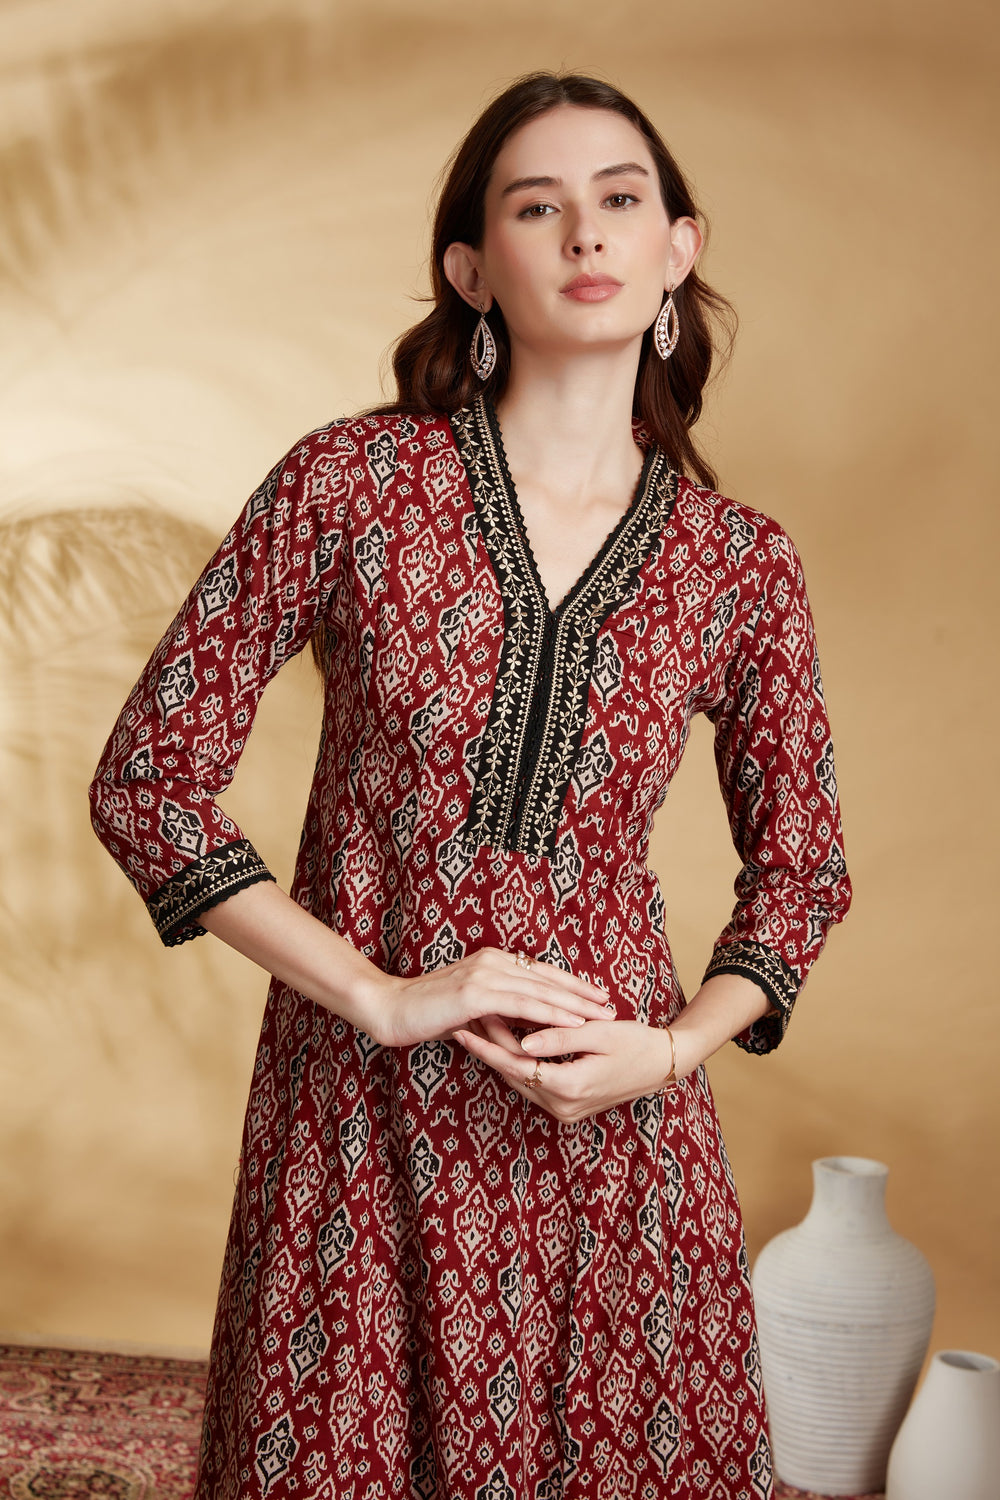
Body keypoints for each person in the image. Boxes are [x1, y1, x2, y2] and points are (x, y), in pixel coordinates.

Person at [90, 71, 850, 1500]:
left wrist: (668, 1053)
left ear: (678, 247)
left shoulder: (738, 564)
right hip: (359, 1113)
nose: (586, 233)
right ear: (471, 268)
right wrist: (380, 997)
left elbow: (804, 870)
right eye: (536, 207)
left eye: (620, 199)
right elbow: (149, 782)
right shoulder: (350, 485)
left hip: (610, 1131)